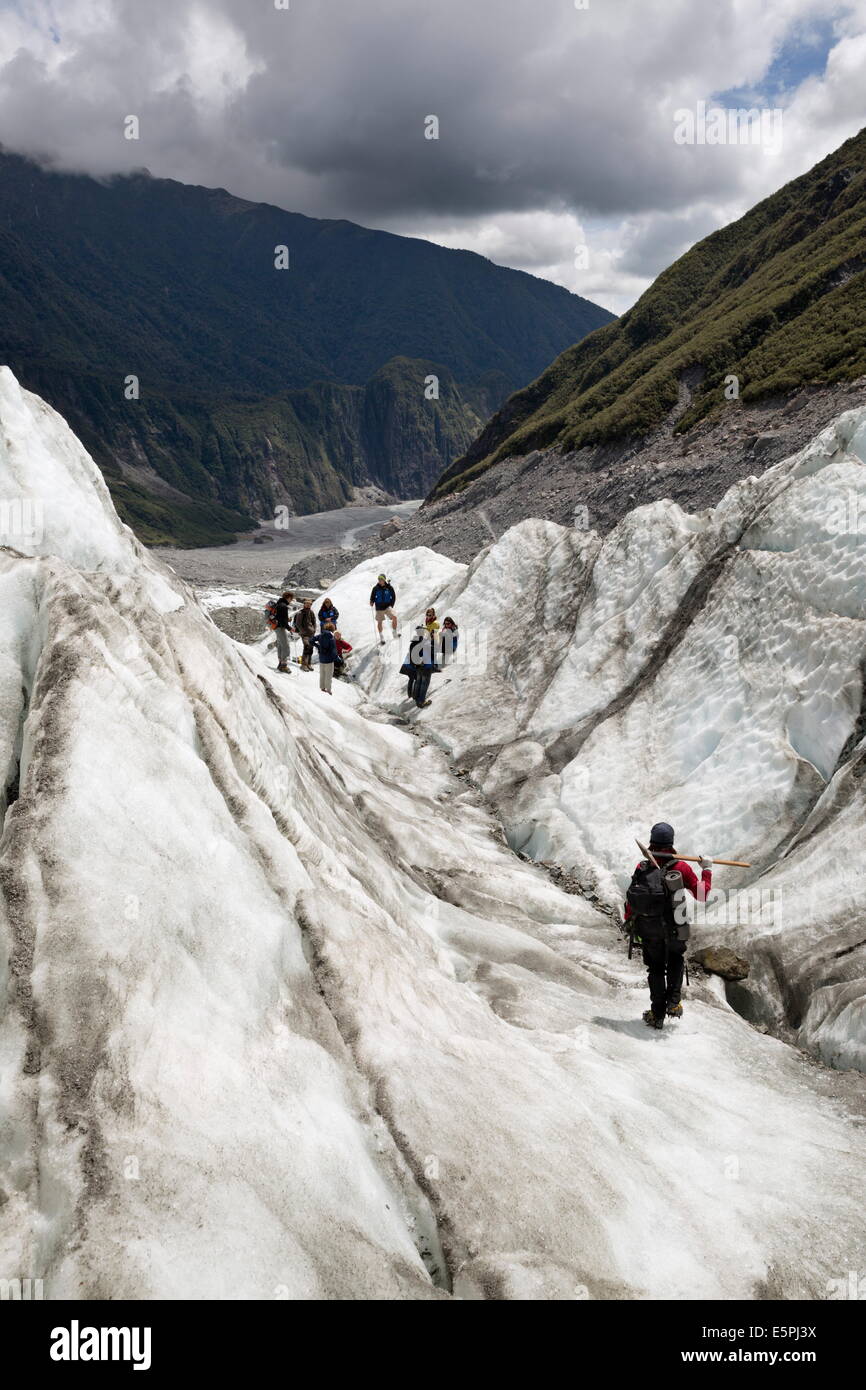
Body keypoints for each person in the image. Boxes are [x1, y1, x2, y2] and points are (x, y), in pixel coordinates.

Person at [624, 821, 712, 1030]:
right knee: (675, 960)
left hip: (648, 928)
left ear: (651, 842)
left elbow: (632, 900)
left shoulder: (642, 866)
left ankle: (657, 1014)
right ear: (671, 842)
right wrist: (706, 870)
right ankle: (674, 1004)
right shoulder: (680, 867)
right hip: (675, 927)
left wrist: (630, 924)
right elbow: (702, 894)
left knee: (655, 969)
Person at [400, 626, 438, 708]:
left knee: (418, 682)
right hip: (426, 666)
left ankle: (416, 697)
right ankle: (421, 701)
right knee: (424, 684)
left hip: (418, 666)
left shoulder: (414, 642)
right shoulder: (426, 642)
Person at [370, 574, 398, 643]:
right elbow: (372, 597)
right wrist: (372, 601)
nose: (380, 581)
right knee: (380, 622)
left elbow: (393, 596)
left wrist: (391, 605)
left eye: (381, 579)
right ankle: (381, 636)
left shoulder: (389, 587)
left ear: (384, 580)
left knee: (394, 617)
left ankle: (394, 632)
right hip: (379, 608)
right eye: (379, 579)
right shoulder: (375, 588)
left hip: (387, 606)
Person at [312, 623, 338, 694]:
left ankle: (322, 688)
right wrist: (336, 657)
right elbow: (333, 649)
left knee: (322, 674)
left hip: (321, 658)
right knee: (328, 675)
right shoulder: (331, 637)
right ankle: (328, 690)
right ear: (332, 629)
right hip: (329, 660)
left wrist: (318, 646)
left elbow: (311, 640)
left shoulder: (320, 635)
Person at [274, 590, 295, 673]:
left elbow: (280, 617)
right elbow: (282, 621)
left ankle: (280, 663)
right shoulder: (284, 606)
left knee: (280, 645)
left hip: (276, 627)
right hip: (280, 627)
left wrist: (287, 619)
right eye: (291, 599)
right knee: (286, 646)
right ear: (289, 598)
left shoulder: (279, 604)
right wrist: (290, 628)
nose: (291, 600)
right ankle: (283, 666)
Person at [294, 597, 317, 670]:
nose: (308, 605)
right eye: (307, 604)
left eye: (310, 604)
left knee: (311, 648)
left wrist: (314, 629)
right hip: (305, 634)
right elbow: (298, 624)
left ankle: (308, 663)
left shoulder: (311, 612)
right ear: (304, 604)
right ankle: (303, 664)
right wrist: (303, 632)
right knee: (307, 646)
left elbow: (314, 622)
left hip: (311, 633)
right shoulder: (300, 613)